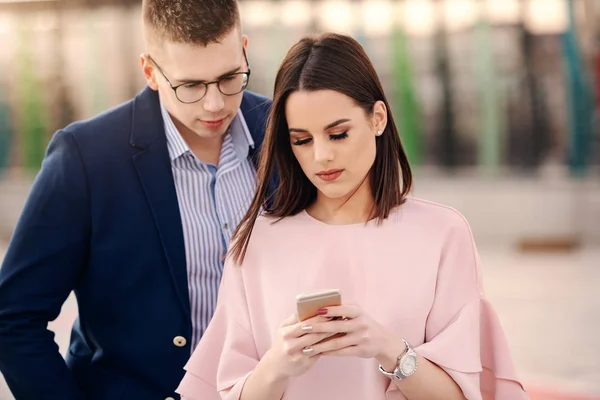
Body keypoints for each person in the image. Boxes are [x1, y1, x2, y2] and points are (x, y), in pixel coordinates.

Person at [175, 33, 528, 400]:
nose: (321, 156)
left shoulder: (442, 234)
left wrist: (388, 348)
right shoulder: (255, 242)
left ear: (377, 118)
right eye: (302, 140)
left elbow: (465, 395)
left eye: (338, 134)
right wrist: (278, 363)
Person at [0, 1, 270, 399]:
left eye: (229, 77)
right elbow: (14, 317)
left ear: (244, 49)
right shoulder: (86, 157)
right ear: (150, 72)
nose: (215, 104)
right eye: (191, 85)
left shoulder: (284, 129)